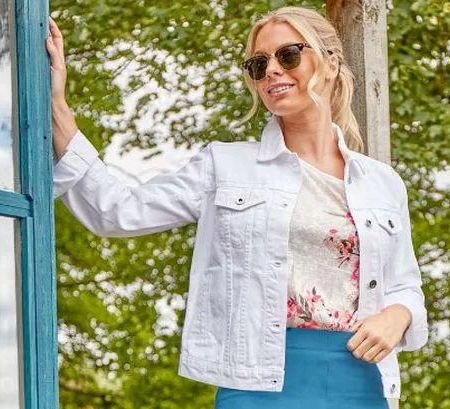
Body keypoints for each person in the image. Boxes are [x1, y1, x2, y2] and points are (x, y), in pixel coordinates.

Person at [46, 6, 428, 409]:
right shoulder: (225, 166)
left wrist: (400, 313)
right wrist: (58, 109)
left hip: (361, 381)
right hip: (258, 383)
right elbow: (117, 211)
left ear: (331, 64)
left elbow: (405, 283)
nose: (272, 71)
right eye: (258, 64)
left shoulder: (381, 182)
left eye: (288, 55)